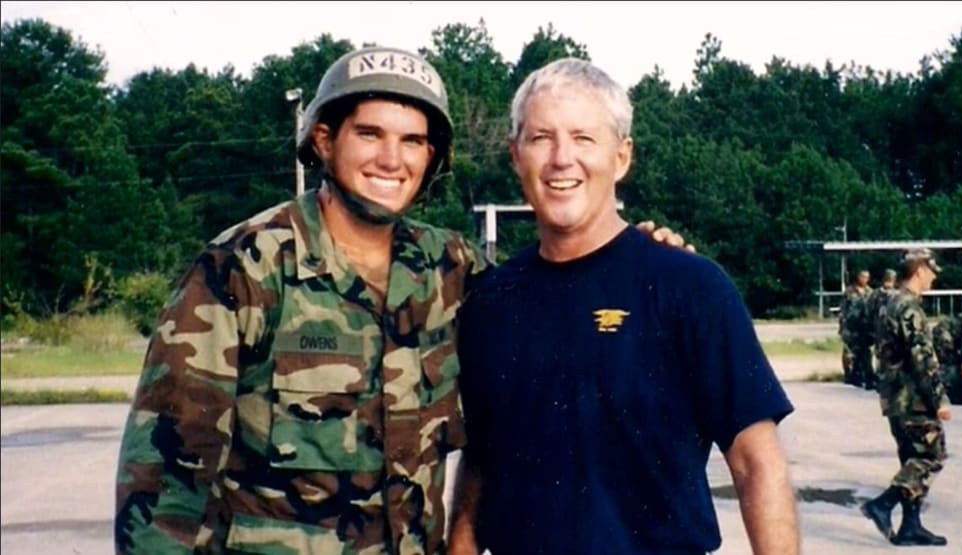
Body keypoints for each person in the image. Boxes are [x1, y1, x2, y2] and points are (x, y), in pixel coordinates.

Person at [113, 46, 691, 554]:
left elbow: (555, 285)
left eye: (413, 140)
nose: (392, 160)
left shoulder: (452, 271)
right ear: (324, 139)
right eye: (370, 134)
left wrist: (635, 253)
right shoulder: (244, 268)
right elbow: (163, 482)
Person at [448, 58, 799, 555]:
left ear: (622, 157)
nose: (561, 158)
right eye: (541, 137)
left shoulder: (690, 286)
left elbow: (756, 463)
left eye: (584, 138)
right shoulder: (491, 301)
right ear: (515, 154)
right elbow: (481, 459)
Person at [862, 248, 950, 546]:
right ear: (920, 270)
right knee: (931, 455)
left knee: (910, 458)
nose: (934, 277)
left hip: (893, 397)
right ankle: (882, 504)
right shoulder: (910, 308)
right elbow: (923, 360)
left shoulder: (887, 302)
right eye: (931, 271)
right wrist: (940, 400)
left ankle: (910, 526)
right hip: (913, 398)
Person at [839, 269, 874, 388]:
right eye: (862, 276)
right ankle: (848, 374)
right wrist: (843, 327)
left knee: (864, 351)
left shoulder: (870, 292)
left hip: (864, 327)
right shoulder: (849, 291)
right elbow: (843, 310)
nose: (864, 279)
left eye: (866, 277)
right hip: (851, 326)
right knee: (848, 352)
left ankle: (861, 373)